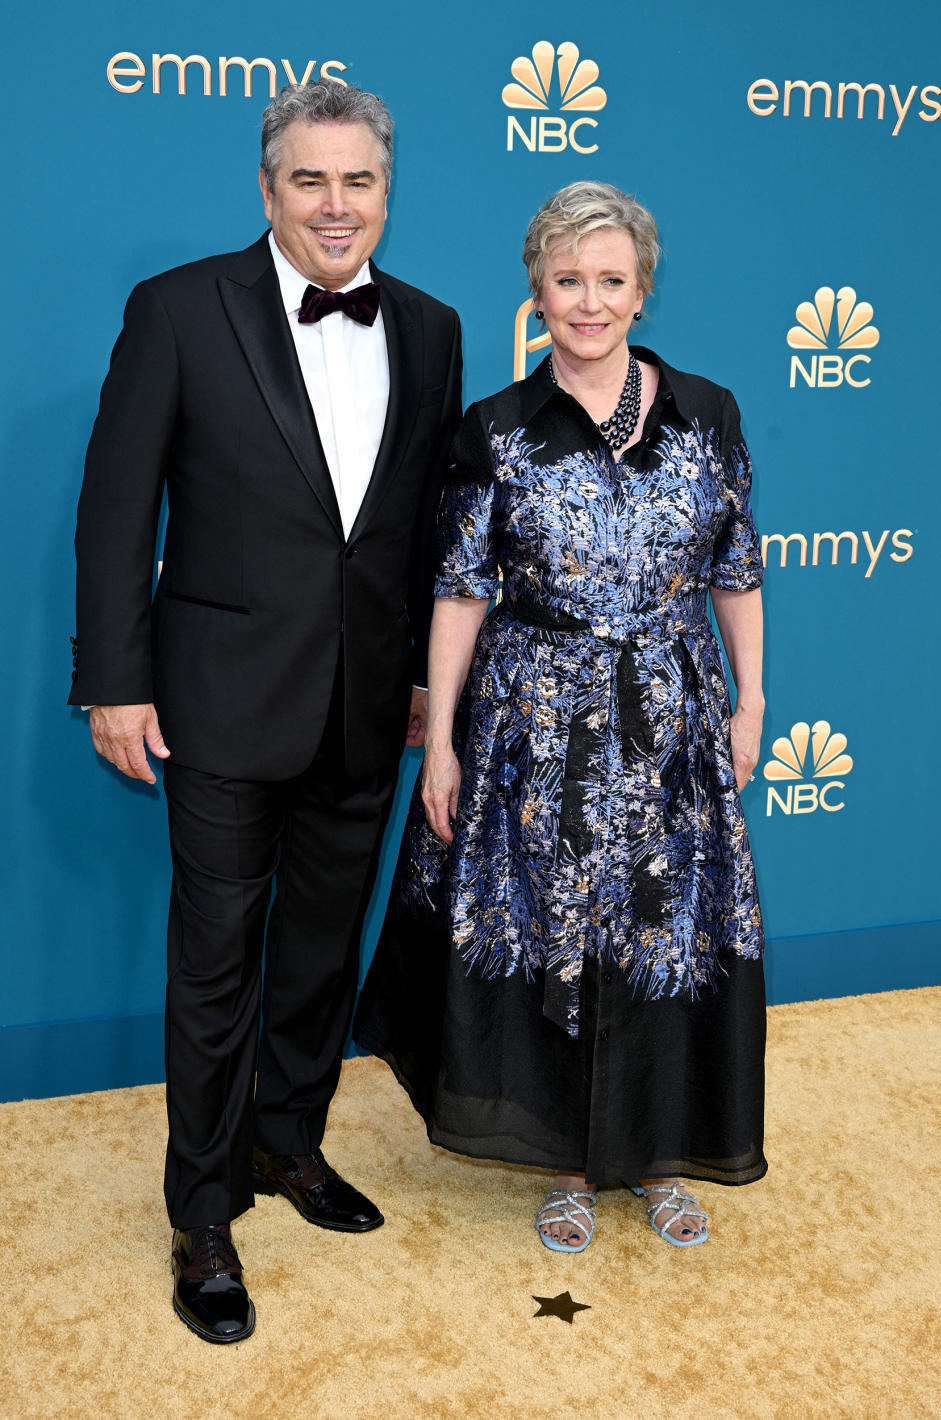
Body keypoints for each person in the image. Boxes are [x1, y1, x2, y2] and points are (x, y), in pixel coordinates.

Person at [69, 79, 462, 1340]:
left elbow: (420, 529)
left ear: (386, 195)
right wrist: (114, 680)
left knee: (316, 956)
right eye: (311, 179)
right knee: (216, 966)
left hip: (361, 705)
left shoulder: (436, 326)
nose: (336, 205)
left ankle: (289, 1145)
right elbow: (118, 511)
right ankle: (202, 1215)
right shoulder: (180, 309)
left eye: (358, 183)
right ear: (267, 186)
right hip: (216, 704)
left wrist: (419, 680)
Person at [355, 180, 765, 1254]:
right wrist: (439, 740)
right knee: (553, 931)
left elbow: (736, 567)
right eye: (569, 279)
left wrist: (752, 696)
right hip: (534, 724)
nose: (591, 301)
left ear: (643, 290)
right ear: (537, 287)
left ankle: (662, 1153)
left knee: (667, 928)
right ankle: (571, 1163)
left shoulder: (708, 412)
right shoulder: (494, 430)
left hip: (673, 718)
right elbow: (458, 591)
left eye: (612, 280)